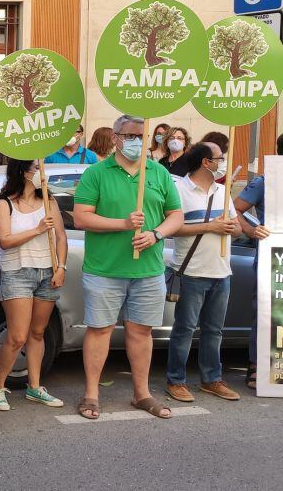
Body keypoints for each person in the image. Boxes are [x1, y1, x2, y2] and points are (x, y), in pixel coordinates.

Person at [72, 114, 184, 421]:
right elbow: (81, 217)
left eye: (141, 135)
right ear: (116, 137)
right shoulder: (96, 173)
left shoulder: (158, 173)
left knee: (141, 332)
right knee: (100, 330)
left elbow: (176, 215)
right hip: (104, 269)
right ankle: (91, 394)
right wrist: (122, 224)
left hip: (148, 270)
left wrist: (156, 233)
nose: (136, 141)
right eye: (130, 135)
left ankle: (142, 393)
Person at [164, 142, 243, 404]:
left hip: (222, 272)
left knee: (214, 330)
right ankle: (176, 380)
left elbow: (237, 227)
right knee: (184, 329)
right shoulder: (179, 189)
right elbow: (172, 228)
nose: (223, 162)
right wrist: (211, 226)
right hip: (191, 271)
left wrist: (232, 228)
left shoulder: (223, 191)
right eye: (219, 158)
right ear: (205, 162)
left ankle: (212, 379)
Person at [0, 159, 67, 412]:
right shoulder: (5, 204)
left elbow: (61, 237)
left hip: (48, 272)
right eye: (36, 169)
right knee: (17, 336)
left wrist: (61, 267)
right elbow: (4, 240)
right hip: (17, 272)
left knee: (38, 332)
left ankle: (35, 386)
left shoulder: (50, 202)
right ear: (23, 172)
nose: (41, 174)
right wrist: (36, 229)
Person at [235, 133, 281, 389]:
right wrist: (252, 231)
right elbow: (235, 209)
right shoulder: (265, 182)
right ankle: (257, 367)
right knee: (266, 312)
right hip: (272, 256)